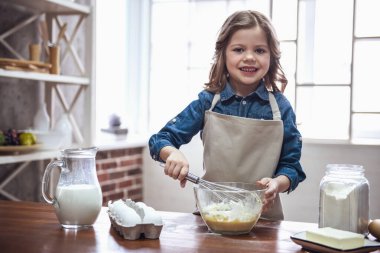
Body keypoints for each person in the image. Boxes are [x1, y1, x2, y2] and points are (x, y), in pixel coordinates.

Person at [148, 10, 306, 220]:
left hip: (264, 222)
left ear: (271, 57)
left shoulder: (281, 108)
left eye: (259, 50)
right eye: (239, 49)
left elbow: (292, 166)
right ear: (223, 54)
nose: (249, 57)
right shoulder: (208, 102)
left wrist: (277, 183)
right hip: (213, 217)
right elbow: (160, 140)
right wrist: (172, 154)